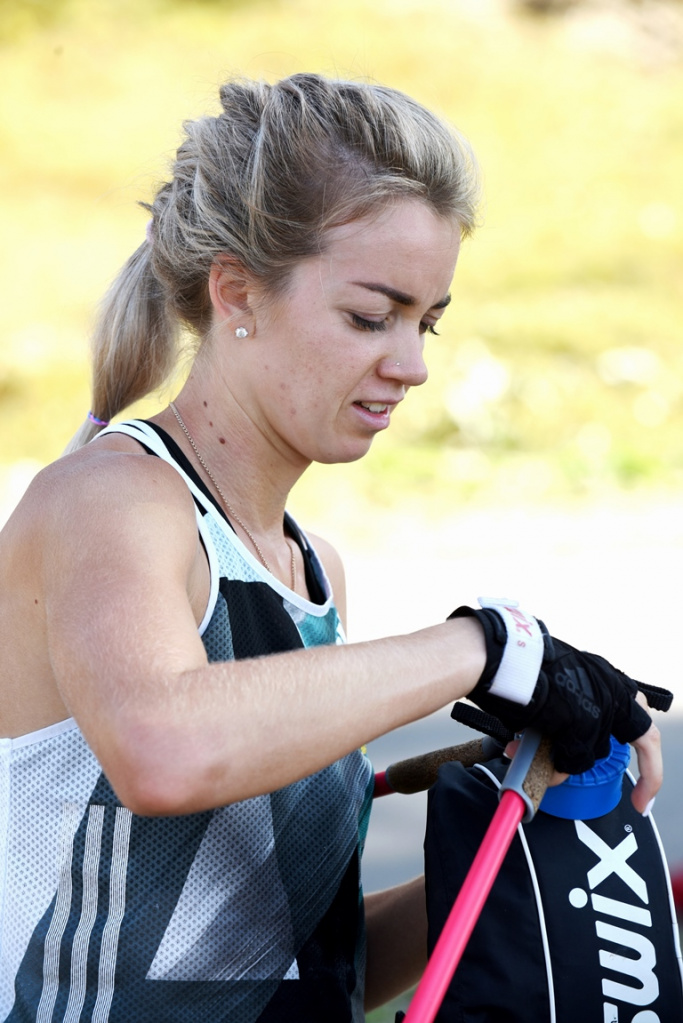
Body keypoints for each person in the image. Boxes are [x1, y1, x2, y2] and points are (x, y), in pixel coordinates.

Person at [0, 73, 661, 1022]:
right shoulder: (111, 500)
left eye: (426, 321)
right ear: (236, 289)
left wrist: (516, 833)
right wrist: (487, 645)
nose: (412, 364)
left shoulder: (313, 573)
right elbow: (163, 748)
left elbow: (311, 964)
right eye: (370, 315)